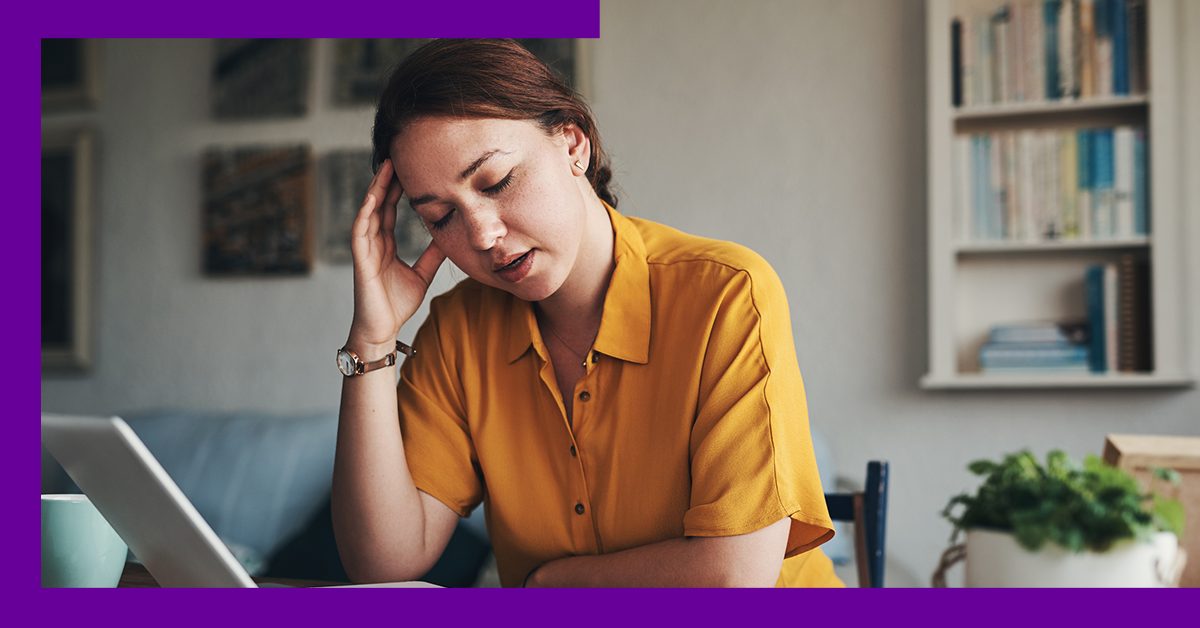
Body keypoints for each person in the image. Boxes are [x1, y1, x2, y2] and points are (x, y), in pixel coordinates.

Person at [331, 39, 841, 588]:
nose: (482, 235)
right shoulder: (458, 331)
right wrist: (373, 338)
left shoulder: (726, 295)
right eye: (441, 216)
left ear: (574, 144)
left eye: (497, 182)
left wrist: (550, 582)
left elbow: (734, 581)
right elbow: (382, 564)